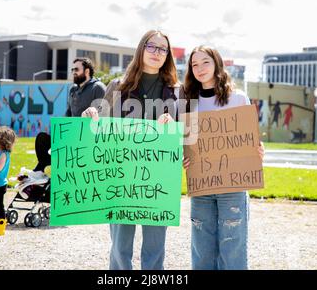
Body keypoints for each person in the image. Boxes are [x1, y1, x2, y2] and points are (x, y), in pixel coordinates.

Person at [82, 30, 185, 270]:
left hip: (159, 179)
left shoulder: (177, 91)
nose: (157, 53)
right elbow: (98, 132)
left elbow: (186, 137)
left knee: (155, 247)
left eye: (163, 49)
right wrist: (90, 117)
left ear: (167, 55)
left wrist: (172, 130)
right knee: (120, 246)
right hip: (121, 177)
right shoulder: (118, 86)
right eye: (152, 46)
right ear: (141, 48)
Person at [182, 45, 264, 270]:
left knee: (233, 247)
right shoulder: (188, 102)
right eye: (194, 64)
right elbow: (184, 142)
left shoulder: (238, 98)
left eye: (205, 62)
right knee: (202, 249)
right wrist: (184, 157)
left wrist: (256, 151)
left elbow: (249, 140)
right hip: (202, 184)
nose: (200, 68)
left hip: (233, 185)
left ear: (217, 64)